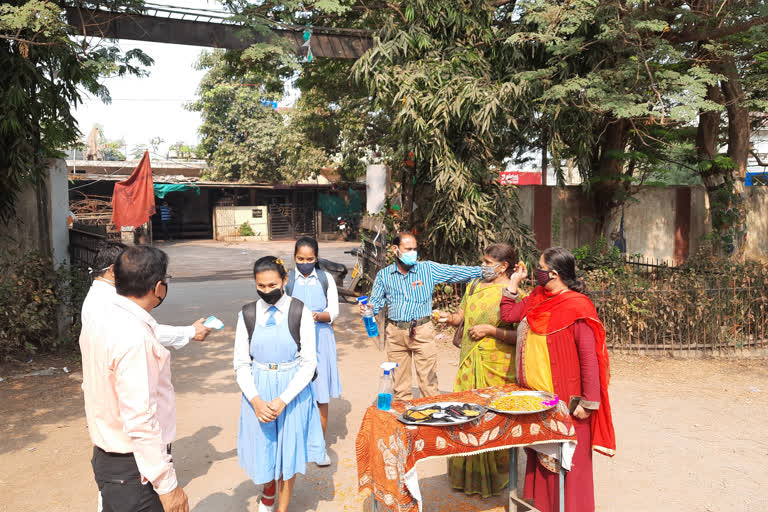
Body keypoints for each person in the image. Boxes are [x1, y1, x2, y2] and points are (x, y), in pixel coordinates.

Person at [83, 242, 210, 512]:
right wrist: (167, 486)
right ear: (158, 287)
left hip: (109, 458)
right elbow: (141, 419)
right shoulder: (134, 338)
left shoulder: (101, 315)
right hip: (134, 466)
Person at [499, 247, 616, 512]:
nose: (535, 271)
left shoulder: (577, 306)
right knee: (542, 457)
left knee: (568, 463)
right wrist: (513, 284)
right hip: (537, 397)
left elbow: (590, 358)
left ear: (552, 273)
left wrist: (589, 402)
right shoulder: (539, 296)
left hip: (567, 398)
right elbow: (509, 316)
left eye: (539, 267)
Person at [233, 256, 326, 512]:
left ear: (285, 280)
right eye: (261, 286)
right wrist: (256, 400)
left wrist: (283, 399)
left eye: (272, 284)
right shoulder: (247, 314)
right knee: (264, 449)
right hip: (258, 390)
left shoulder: (300, 312)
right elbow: (241, 363)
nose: (267, 291)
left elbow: (309, 363)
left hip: (291, 392)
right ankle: (268, 490)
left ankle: (281, 508)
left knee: (289, 452)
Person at [436, 243, 518, 498]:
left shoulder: (512, 293)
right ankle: (465, 476)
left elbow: (522, 336)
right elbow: (462, 315)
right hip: (468, 363)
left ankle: (494, 480)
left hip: (497, 367)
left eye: (488, 262)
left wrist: (491, 330)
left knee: (492, 419)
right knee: (464, 417)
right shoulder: (473, 286)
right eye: (482, 261)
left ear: (503, 266)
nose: (483, 266)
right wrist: (447, 318)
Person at [361, 232, 482, 400]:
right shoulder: (384, 275)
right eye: (408, 249)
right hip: (395, 333)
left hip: (422, 331)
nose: (413, 253)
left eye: (415, 249)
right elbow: (376, 303)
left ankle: (430, 420)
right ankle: (407, 422)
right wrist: (368, 308)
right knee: (400, 386)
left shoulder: (427, 269)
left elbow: (456, 272)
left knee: (428, 383)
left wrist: (487, 271)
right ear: (395, 249)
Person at [83, 242, 211, 349]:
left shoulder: (102, 293)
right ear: (112, 271)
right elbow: (146, 333)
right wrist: (190, 331)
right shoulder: (109, 300)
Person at [285, 237, 340, 467]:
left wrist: (318, 316)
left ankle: (319, 448)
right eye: (300, 259)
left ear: (316, 258)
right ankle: (295, 444)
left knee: (320, 395)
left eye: (309, 259)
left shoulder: (325, 279)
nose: (305, 263)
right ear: (294, 257)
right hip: (294, 341)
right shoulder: (287, 279)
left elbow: (334, 311)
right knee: (294, 393)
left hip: (321, 339)